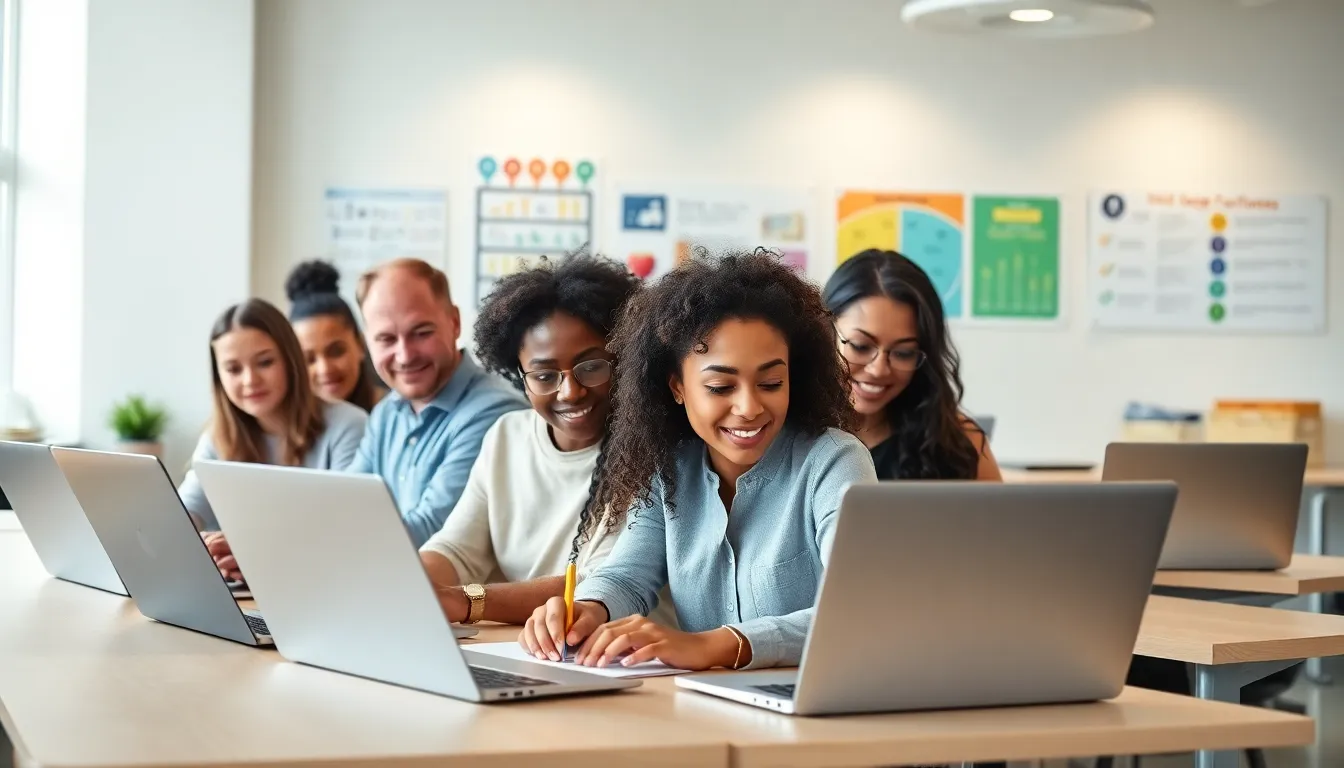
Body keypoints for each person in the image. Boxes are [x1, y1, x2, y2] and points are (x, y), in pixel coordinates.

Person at [519, 248, 877, 670]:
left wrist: (719, 645)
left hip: (820, 707)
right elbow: (627, 577)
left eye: (770, 382)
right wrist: (587, 609)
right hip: (708, 704)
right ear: (678, 388)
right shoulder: (669, 467)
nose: (748, 407)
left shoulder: (834, 461)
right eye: (721, 387)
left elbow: (859, 612)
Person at [418, 251, 676, 628]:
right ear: (519, 376)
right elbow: (456, 549)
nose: (570, 392)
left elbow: (599, 586)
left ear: (626, 358)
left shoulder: (652, 448)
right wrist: (413, 581)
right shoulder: (507, 437)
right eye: (544, 375)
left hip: (624, 657)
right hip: (526, 648)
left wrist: (466, 601)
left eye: (591, 367)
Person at [180, 299, 367, 579]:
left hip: (324, 584)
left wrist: (250, 549)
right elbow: (183, 514)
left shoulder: (348, 426)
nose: (250, 380)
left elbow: (342, 529)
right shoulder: (217, 437)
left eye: (265, 362)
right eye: (233, 369)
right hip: (251, 594)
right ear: (219, 376)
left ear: (291, 361)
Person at [347, 258, 527, 548]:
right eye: (386, 339)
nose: (405, 355)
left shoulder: (497, 412)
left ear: (454, 322)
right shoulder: (385, 413)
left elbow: (431, 532)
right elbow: (345, 504)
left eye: (421, 333)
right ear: (367, 341)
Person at [822, 249, 1001, 481]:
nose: (879, 370)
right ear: (824, 332)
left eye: (903, 353)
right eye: (861, 346)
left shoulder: (957, 443)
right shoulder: (785, 433)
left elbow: (1001, 518)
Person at [285, 259, 387, 412]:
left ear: (360, 344)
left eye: (336, 352)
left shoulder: (395, 414)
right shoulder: (288, 424)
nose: (325, 369)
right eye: (309, 359)